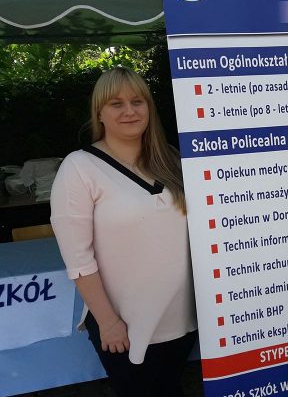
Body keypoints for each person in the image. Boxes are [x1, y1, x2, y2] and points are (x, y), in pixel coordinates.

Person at [51, 67, 197, 397]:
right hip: (125, 325)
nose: (129, 111)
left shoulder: (171, 160)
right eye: (116, 103)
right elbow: (78, 259)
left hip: (182, 319)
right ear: (99, 112)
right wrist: (108, 322)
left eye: (137, 101)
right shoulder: (80, 167)